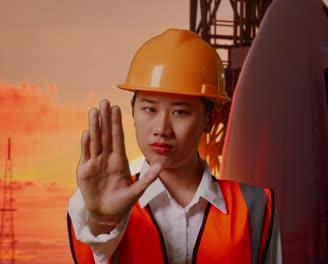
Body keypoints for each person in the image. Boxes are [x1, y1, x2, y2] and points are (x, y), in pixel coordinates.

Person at [67, 28, 282, 263]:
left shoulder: (254, 207)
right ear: (133, 111)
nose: (162, 128)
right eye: (149, 109)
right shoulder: (95, 201)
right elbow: (94, 249)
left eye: (180, 112)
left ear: (209, 120)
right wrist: (103, 221)